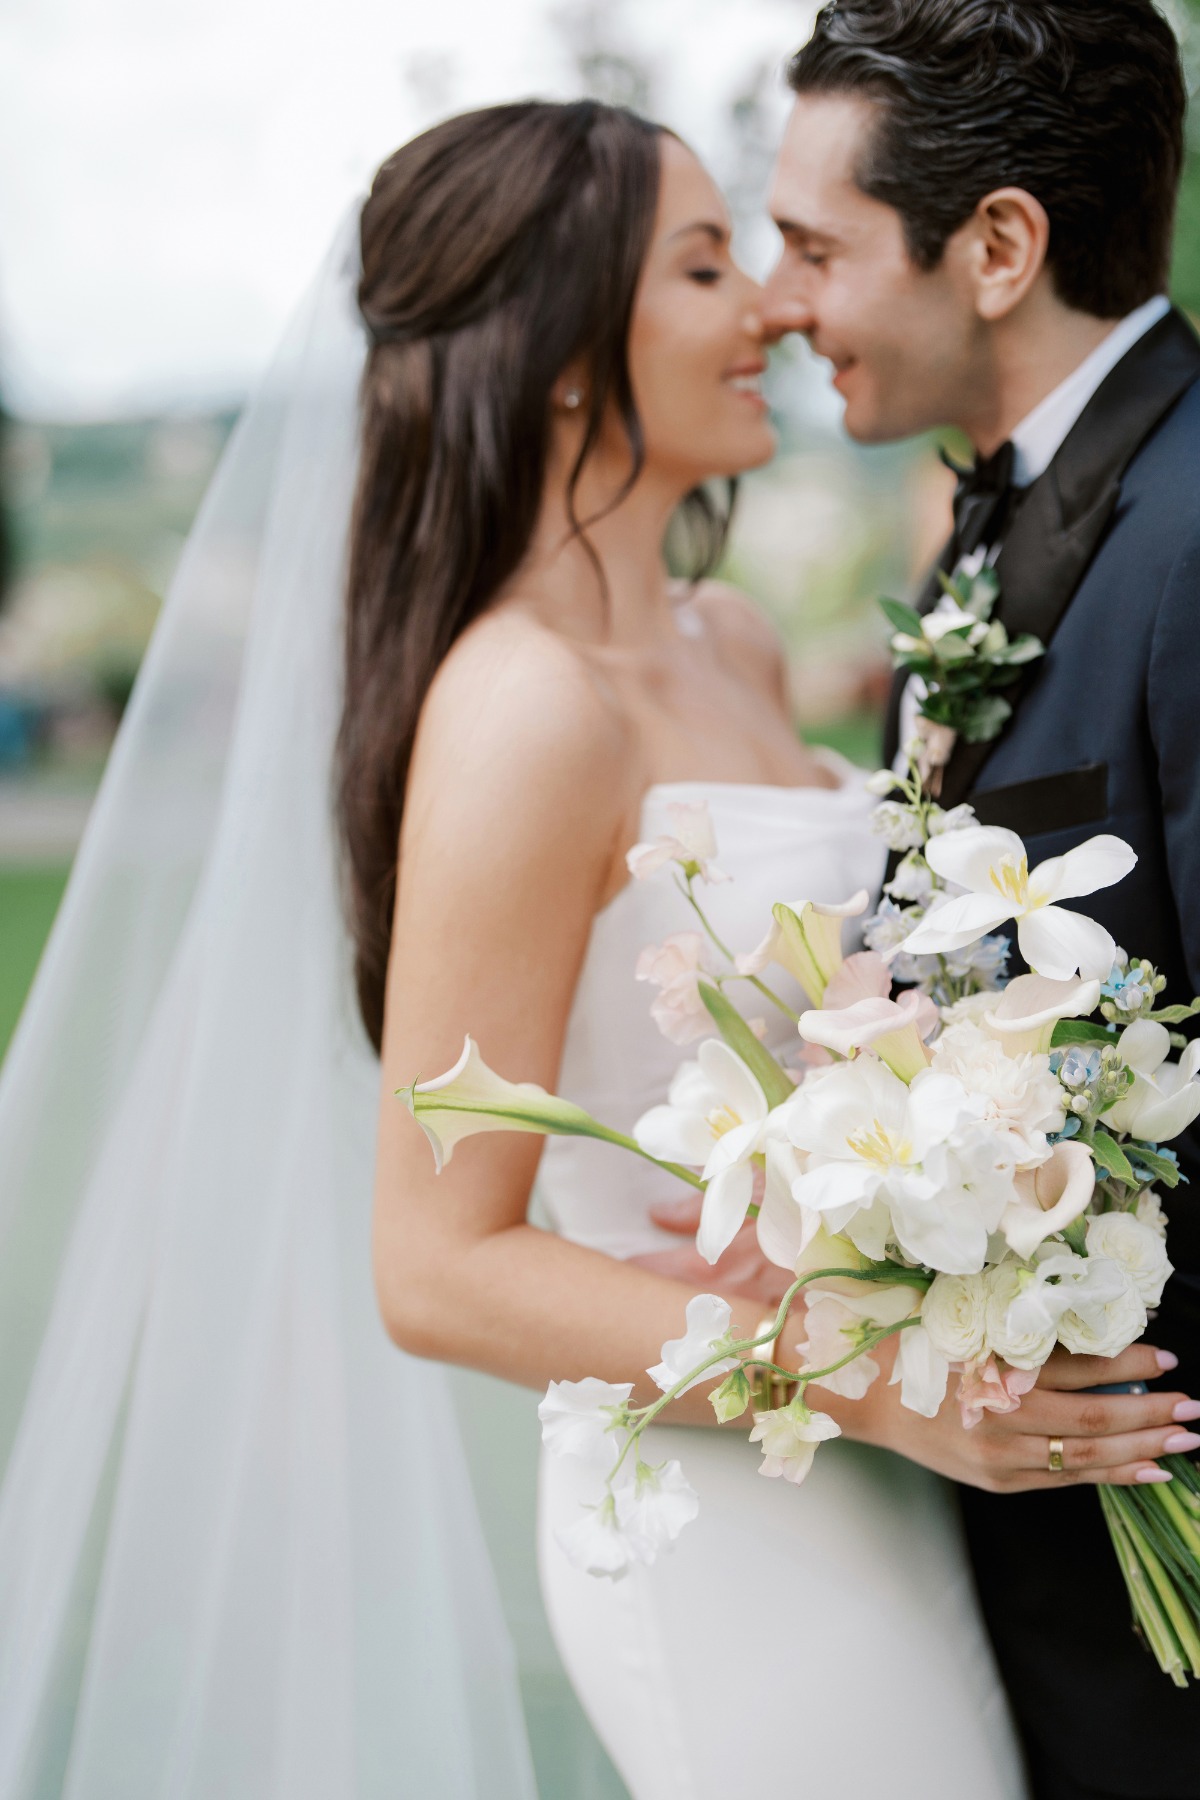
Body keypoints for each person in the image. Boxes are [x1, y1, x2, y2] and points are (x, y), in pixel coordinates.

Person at [360, 101, 1187, 1797]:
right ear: (566, 348)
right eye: (709, 263)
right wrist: (879, 1384)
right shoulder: (521, 709)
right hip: (730, 1507)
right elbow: (434, 1267)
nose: (771, 310)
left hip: (893, 1473)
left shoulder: (727, 639)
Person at [759, 4, 1200, 1796]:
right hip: (1044, 1593)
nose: (784, 303)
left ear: (998, 246)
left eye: (813, 246)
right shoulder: (982, 533)